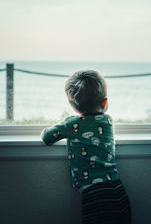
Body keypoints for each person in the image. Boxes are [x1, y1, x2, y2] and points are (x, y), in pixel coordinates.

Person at [41, 70, 132, 224]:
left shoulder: (71, 124)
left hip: (94, 196)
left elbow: (47, 138)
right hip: (118, 190)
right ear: (104, 102)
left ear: (73, 105)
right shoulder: (108, 121)